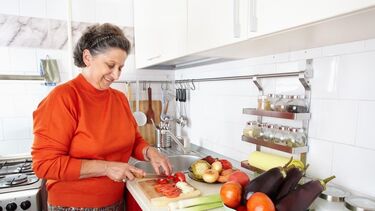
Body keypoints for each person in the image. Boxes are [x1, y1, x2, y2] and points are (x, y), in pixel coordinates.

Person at [31, 23, 172, 210]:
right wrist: (106, 167)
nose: (116, 75)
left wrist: (149, 151)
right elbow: (44, 164)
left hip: (116, 200)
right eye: (110, 65)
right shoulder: (63, 98)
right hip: (74, 205)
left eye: (120, 68)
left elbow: (133, 139)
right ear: (87, 57)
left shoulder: (119, 98)